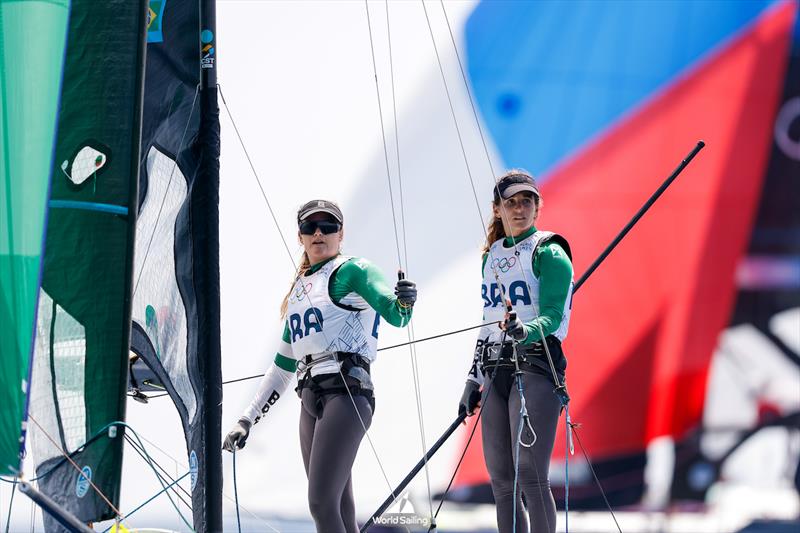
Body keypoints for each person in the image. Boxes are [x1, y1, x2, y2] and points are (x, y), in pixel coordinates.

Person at [223, 199, 417, 533]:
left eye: (328, 226)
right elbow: (283, 368)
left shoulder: (354, 270)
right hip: (311, 401)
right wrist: (246, 420)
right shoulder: (299, 289)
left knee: (320, 503)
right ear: (300, 236)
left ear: (341, 234)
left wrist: (405, 300)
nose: (318, 233)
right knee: (339, 506)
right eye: (309, 227)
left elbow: (396, 314)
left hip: (347, 394)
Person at [458, 171, 574, 533]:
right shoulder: (490, 256)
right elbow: (487, 322)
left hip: (537, 368)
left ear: (538, 207)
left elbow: (554, 317)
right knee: (501, 480)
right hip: (495, 371)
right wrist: (471, 380)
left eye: (527, 201)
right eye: (511, 203)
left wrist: (525, 330)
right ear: (497, 209)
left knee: (530, 475)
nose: (519, 208)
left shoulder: (550, 251)